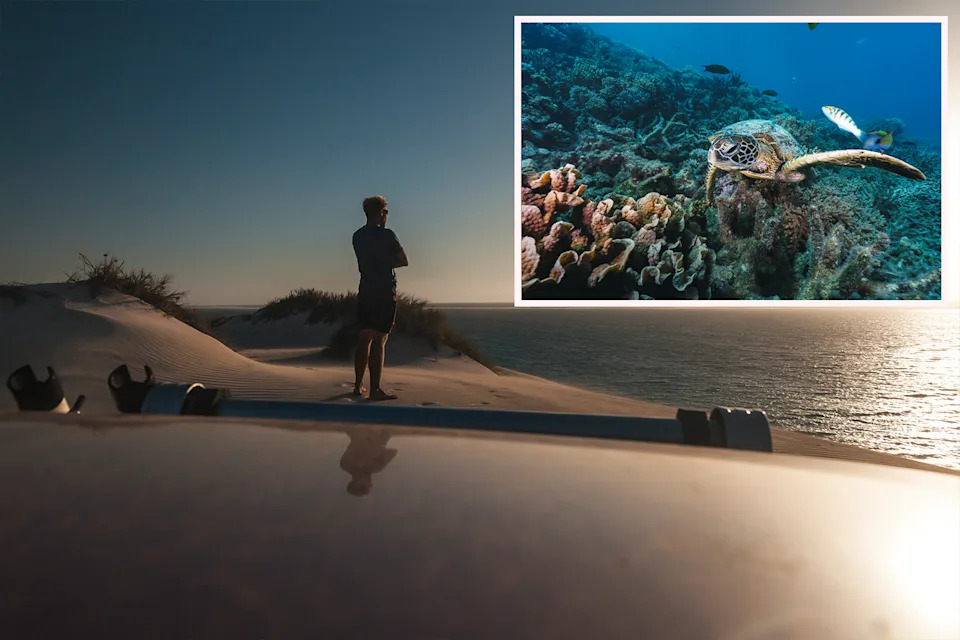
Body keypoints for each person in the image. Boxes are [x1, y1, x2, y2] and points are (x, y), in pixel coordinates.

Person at [351, 195, 408, 401]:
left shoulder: (357, 236)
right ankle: (375, 389)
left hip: (365, 289)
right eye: (386, 212)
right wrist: (385, 262)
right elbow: (403, 260)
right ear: (380, 213)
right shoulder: (387, 235)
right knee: (380, 340)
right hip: (384, 290)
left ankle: (358, 385)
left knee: (364, 337)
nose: (387, 216)